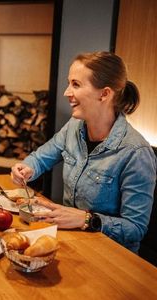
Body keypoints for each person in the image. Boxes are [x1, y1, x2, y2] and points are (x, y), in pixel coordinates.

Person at [11, 51, 156, 253]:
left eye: (76, 84)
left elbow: (135, 229)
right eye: (69, 83)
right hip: (73, 242)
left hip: (113, 257)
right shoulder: (74, 126)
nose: (66, 92)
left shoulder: (136, 153)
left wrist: (88, 220)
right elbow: (41, 158)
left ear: (104, 94)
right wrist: (26, 167)